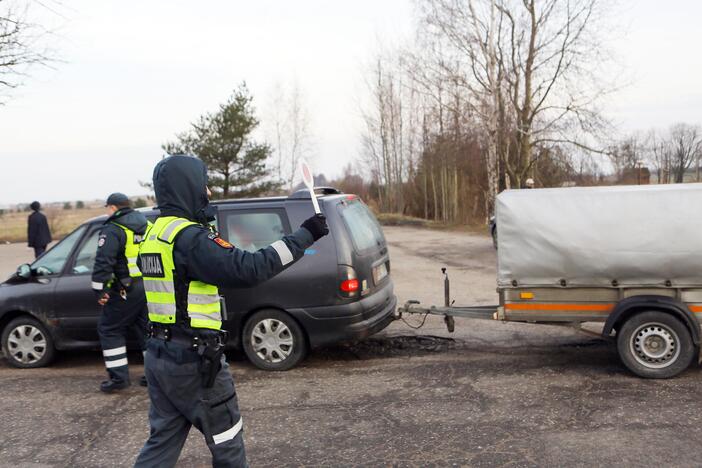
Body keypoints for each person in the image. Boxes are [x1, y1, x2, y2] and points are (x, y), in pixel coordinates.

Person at [134, 155, 328, 468]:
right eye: (203, 184)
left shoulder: (153, 236)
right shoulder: (190, 239)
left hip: (159, 357)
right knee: (228, 446)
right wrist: (306, 234)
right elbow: (249, 268)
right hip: (195, 362)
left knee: (161, 443)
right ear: (189, 188)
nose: (208, 192)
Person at [91, 193, 149, 393]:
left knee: (109, 329)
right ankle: (153, 375)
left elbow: (103, 262)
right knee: (146, 330)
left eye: (107, 207)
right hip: (149, 287)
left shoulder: (114, 228)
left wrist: (100, 290)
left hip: (127, 289)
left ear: (113, 207)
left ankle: (119, 379)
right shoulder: (146, 224)